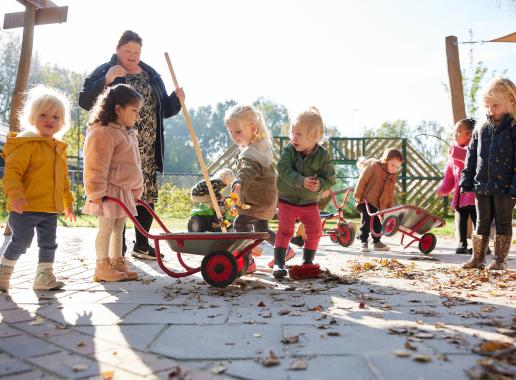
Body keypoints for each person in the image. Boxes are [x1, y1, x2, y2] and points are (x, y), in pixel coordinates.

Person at [79, 30, 185, 260]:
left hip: (146, 145)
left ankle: (142, 244)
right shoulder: (106, 71)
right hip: (117, 141)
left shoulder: (151, 75)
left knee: (145, 193)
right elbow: (85, 101)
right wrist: (105, 80)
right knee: (120, 192)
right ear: (118, 50)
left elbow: (165, 109)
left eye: (137, 52)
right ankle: (118, 249)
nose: (132, 55)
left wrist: (177, 101)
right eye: (128, 51)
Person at [0, 85, 75, 292]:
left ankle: (44, 278)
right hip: (26, 207)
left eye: (56, 117)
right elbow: (12, 173)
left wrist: (68, 203)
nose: (50, 120)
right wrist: (15, 195)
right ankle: (3, 271)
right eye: (43, 115)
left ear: (63, 122)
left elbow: (63, 180)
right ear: (33, 117)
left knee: (49, 244)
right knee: (21, 242)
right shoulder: (26, 145)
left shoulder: (58, 149)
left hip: (50, 209)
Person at [82, 84, 144, 282]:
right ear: (118, 109)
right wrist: (95, 191)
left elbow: (135, 163)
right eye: (134, 110)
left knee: (119, 228)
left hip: (123, 191)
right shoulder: (103, 132)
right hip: (108, 191)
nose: (137, 116)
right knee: (106, 227)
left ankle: (117, 261)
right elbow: (95, 164)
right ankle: (102, 265)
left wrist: (136, 187)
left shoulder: (127, 133)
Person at [225, 105, 294, 274]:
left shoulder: (251, 155)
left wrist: (238, 185)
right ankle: (285, 250)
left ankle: (248, 262)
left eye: (238, 131)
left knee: (240, 224)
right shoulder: (262, 147)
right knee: (261, 229)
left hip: (257, 201)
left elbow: (246, 173)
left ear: (253, 128)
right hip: (267, 199)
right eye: (230, 132)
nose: (234, 136)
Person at [460, 77, 516, 270]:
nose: (490, 110)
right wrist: (467, 178)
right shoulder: (481, 128)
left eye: (495, 105)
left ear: (511, 99)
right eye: (487, 106)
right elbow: (471, 154)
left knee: (503, 221)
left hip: (506, 186)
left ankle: (499, 260)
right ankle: (477, 258)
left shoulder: (514, 128)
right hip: (482, 183)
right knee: (481, 220)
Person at [273, 107, 336, 279]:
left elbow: (329, 177)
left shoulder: (322, 155)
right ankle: (279, 262)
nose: (293, 138)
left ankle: (308, 262)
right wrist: (301, 181)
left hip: (309, 202)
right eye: (292, 133)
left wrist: (320, 185)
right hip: (287, 200)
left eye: (299, 134)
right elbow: (283, 169)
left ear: (314, 137)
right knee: (285, 230)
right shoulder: (289, 151)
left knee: (315, 230)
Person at [437, 118, 477, 254]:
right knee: (461, 218)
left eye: (459, 132)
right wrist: (443, 189)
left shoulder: (475, 147)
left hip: (474, 193)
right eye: (455, 132)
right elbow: (449, 175)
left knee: (478, 219)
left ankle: (481, 245)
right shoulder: (453, 154)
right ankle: (462, 242)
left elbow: (472, 159)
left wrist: (456, 152)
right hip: (460, 195)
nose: (455, 135)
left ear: (470, 135)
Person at [354, 148, 403, 253]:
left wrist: (389, 206)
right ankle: (363, 241)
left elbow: (390, 192)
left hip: (379, 204)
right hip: (366, 200)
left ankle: (376, 242)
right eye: (392, 165)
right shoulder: (374, 167)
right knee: (366, 220)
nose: (394, 169)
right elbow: (363, 180)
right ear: (385, 160)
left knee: (378, 224)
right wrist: (358, 195)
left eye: (397, 167)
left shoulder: (392, 176)